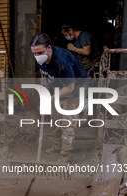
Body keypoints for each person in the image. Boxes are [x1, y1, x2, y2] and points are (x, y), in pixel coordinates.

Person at [30, 33, 88, 163]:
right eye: (34, 53)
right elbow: (43, 72)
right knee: (55, 119)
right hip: (56, 87)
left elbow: (70, 87)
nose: (37, 56)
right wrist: (45, 87)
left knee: (67, 123)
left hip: (75, 88)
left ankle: (66, 156)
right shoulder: (40, 57)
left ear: (49, 48)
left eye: (40, 52)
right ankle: (57, 146)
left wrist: (51, 99)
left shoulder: (62, 60)